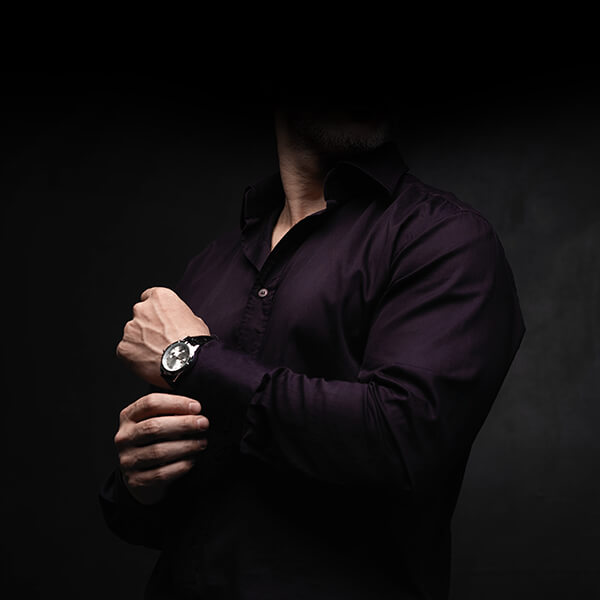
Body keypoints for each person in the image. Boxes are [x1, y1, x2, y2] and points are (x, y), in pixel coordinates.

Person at [100, 80, 525, 599]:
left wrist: (189, 358)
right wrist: (139, 484)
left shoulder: (444, 240)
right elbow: (155, 514)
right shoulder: (211, 266)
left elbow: (401, 443)